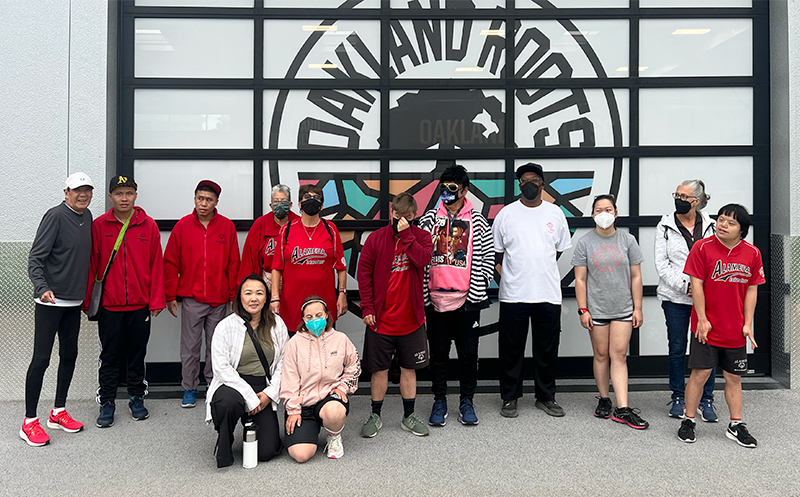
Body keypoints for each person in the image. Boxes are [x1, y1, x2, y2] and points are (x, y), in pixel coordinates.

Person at [678, 204, 764, 448]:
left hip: (735, 329)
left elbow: (751, 291)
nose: (723, 224)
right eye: (721, 219)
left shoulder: (752, 254)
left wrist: (747, 324)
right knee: (701, 374)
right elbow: (697, 286)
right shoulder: (702, 248)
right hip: (706, 327)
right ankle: (689, 420)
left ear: (742, 230)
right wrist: (702, 318)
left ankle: (735, 424)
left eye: (731, 222)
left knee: (734, 377)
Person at [84, 174, 166, 428]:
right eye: (119, 193)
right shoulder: (99, 225)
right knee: (109, 355)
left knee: (137, 353)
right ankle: (107, 401)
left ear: (135, 196)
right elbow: (91, 265)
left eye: (128, 193)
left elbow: (156, 265)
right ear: (110, 196)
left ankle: (136, 398)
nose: (124, 198)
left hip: (140, 305)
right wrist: (89, 302)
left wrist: (156, 301)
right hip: (110, 305)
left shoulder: (148, 225)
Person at [418, 165, 495, 427]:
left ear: (464, 189)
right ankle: (440, 400)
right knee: (438, 353)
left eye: (453, 187)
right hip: (435, 299)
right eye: (444, 186)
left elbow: (486, 256)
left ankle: (467, 400)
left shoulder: (478, 220)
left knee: (468, 354)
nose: (447, 192)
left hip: (467, 300)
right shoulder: (429, 219)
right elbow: (420, 256)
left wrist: (480, 284)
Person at [21, 172, 94, 447]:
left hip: (74, 303)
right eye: (77, 190)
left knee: (69, 355)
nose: (82, 195)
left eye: (87, 190)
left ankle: (58, 411)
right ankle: (29, 422)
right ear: (66, 192)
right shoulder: (54, 216)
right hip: (50, 302)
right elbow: (36, 258)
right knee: (41, 360)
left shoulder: (86, 218)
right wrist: (41, 288)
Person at [493, 163, 571, 418]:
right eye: (524, 179)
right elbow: (498, 255)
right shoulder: (506, 214)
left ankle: (546, 397)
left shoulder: (555, 213)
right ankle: (509, 397)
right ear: (518, 185)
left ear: (543, 185)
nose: (529, 184)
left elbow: (557, 250)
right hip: (514, 293)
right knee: (511, 349)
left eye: (534, 180)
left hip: (547, 292)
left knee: (547, 348)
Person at [357, 192, 433, 438]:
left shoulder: (421, 237)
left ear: (414, 217)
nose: (401, 221)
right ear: (391, 213)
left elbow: (423, 260)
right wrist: (367, 308)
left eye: (407, 218)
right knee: (379, 369)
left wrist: (407, 235)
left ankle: (408, 416)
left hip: (411, 319)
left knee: (409, 368)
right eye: (397, 217)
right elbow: (364, 275)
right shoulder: (377, 239)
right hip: (381, 320)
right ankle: (375, 415)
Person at [572, 195, 648, 429]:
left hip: (623, 308)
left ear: (615, 213)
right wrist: (583, 310)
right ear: (592, 214)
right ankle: (605, 399)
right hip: (596, 309)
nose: (603, 213)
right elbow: (580, 280)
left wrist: (638, 307)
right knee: (601, 355)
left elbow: (636, 276)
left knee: (619, 355)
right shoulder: (585, 242)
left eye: (608, 209)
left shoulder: (627, 240)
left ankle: (623, 408)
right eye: (598, 209)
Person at [164, 180, 240, 409]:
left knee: (217, 347)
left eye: (208, 199)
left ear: (216, 202)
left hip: (218, 299)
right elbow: (170, 262)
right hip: (192, 299)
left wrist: (233, 296)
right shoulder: (183, 226)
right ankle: (189, 387)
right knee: (190, 346)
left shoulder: (226, 227)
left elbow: (233, 263)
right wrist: (170, 295)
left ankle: (214, 385)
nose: (203, 203)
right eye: (200, 198)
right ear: (194, 199)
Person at [206, 274, 288, 468]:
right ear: (239, 297)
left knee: (267, 452)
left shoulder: (277, 324)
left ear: (266, 297)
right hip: (233, 385)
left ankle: (251, 426)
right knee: (227, 402)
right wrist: (249, 397)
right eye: (248, 293)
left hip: (263, 387)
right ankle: (225, 442)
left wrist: (269, 394)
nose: (254, 298)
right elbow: (221, 368)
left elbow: (285, 363)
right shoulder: (225, 326)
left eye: (259, 293)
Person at [655, 180, 717, 420]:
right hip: (675, 299)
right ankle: (678, 396)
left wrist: (703, 287)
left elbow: (717, 258)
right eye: (676, 195)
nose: (678, 199)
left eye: (684, 196)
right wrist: (686, 285)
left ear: (697, 201)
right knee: (678, 348)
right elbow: (662, 264)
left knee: (706, 349)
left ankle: (706, 399)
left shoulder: (712, 225)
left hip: (708, 299)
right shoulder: (665, 226)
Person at [280, 296, 361, 462]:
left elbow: (354, 365)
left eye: (318, 315)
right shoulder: (294, 343)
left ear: (326, 315)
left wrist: (343, 386)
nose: (314, 320)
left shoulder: (340, 339)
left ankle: (334, 436)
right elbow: (289, 378)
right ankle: (311, 428)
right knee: (301, 455)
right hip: (304, 403)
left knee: (334, 413)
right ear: (303, 319)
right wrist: (293, 410)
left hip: (329, 398)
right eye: (309, 317)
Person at [270, 184, 347, 334]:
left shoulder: (330, 229)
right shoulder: (287, 229)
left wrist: (342, 294)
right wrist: (274, 297)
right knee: (294, 350)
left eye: (316, 198)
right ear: (299, 204)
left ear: (322, 205)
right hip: (292, 303)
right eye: (307, 197)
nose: (312, 200)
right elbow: (276, 267)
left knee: (324, 349)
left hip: (324, 302)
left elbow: (341, 267)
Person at [238, 184, 299, 288]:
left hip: (293, 280)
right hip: (267, 281)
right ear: (271, 205)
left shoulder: (298, 224)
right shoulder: (260, 224)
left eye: (283, 201)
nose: (279, 204)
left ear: (290, 204)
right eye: (276, 201)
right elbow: (249, 258)